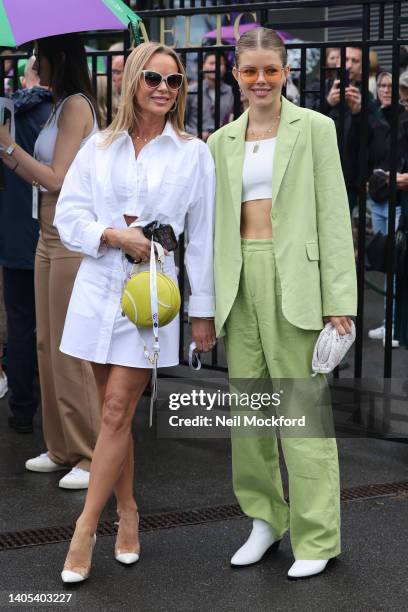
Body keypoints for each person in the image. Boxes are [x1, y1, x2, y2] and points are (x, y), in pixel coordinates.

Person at [54, 41, 216, 583]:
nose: (164, 90)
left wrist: (203, 313)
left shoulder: (193, 152)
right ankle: (129, 511)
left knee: (119, 410)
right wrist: (110, 233)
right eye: (153, 79)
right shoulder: (99, 147)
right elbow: (69, 216)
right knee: (110, 420)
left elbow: (203, 241)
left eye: (174, 82)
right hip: (99, 287)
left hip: (151, 295)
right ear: (132, 83)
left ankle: (84, 530)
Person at [208, 27, 357, 579]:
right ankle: (265, 520)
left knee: (301, 414)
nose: (262, 80)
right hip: (238, 278)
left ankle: (317, 534)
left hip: (297, 280)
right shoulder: (219, 140)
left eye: (271, 69)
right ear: (236, 74)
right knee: (249, 417)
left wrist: (338, 298)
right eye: (251, 71)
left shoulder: (315, 128)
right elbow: (212, 228)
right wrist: (205, 306)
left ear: (286, 71)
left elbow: (334, 214)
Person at [0, 34, 101, 489]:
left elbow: (57, 179)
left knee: (68, 348)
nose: (33, 63)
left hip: (68, 236)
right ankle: (61, 446)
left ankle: (89, 452)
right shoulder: (61, 106)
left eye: (39, 56)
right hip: (46, 234)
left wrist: (6, 147)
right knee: (45, 344)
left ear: (59, 59)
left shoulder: (78, 105)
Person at [0, 57, 53, 433]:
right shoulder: (60, 112)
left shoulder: (7, 115)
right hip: (54, 232)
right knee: (57, 327)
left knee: (20, 323)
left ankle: (21, 410)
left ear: (26, 76)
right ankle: (58, 413)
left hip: (13, 230)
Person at [185, 51, 234, 141]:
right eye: (211, 63)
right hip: (194, 142)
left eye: (220, 64)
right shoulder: (191, 90)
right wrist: (196, 134)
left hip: (221, 142)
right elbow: (181, 121)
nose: (215, 67)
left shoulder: (230, 91)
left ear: (225, 67)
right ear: (203, 66)